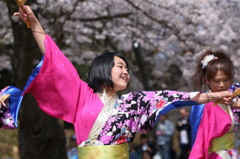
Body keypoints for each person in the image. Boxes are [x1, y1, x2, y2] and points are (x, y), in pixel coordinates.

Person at [14, 6, 233, 158]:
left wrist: (213, 96)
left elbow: (176, 98)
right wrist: (34, 23)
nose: (126, 71)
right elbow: (56, 59)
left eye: (127, 68)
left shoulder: (134, 102)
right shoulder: (82, 95)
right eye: (120, 66)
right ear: (103, 68)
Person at [189, 50, 240, 158]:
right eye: (217, 81)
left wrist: (235, 105)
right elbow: (199, 141)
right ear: (207, 80)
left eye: (226, 80)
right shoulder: (203, 105)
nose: (222, 85)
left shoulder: (231, 99)